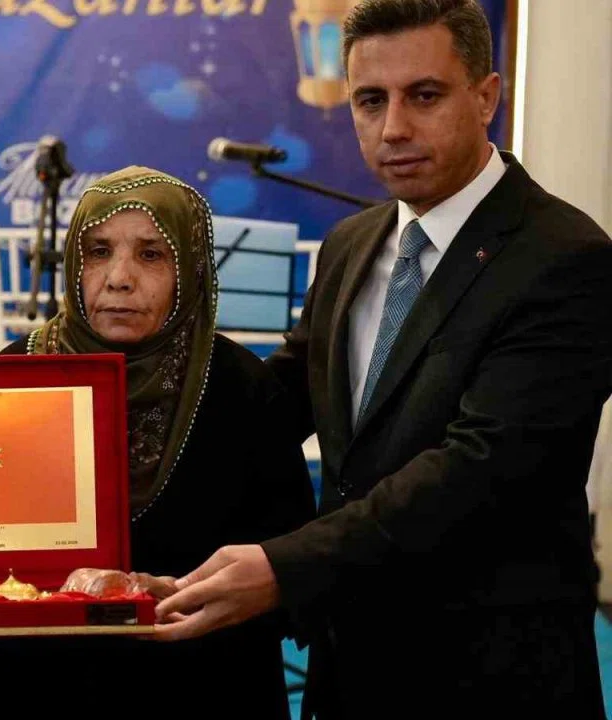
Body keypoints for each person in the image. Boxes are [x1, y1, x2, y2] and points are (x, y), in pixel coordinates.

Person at [155, 1, 612, 717]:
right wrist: (122, 395)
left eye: (424, 96)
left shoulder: (566, 257)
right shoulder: (352, 242)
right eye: (371, 100)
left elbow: (483, 468)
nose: (393, 127)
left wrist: (285, 566)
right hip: (350, 660)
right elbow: (277, 403)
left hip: (491, 675)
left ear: (486, 96)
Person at [0, 166, 316, 717]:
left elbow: (282, 565)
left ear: (190, 270)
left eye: (151, 255)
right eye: (98, 251)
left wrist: (185, 592)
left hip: (197, 682)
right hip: (36, 684)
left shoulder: (241, 387)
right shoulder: (16, 374)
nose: (119, 278)